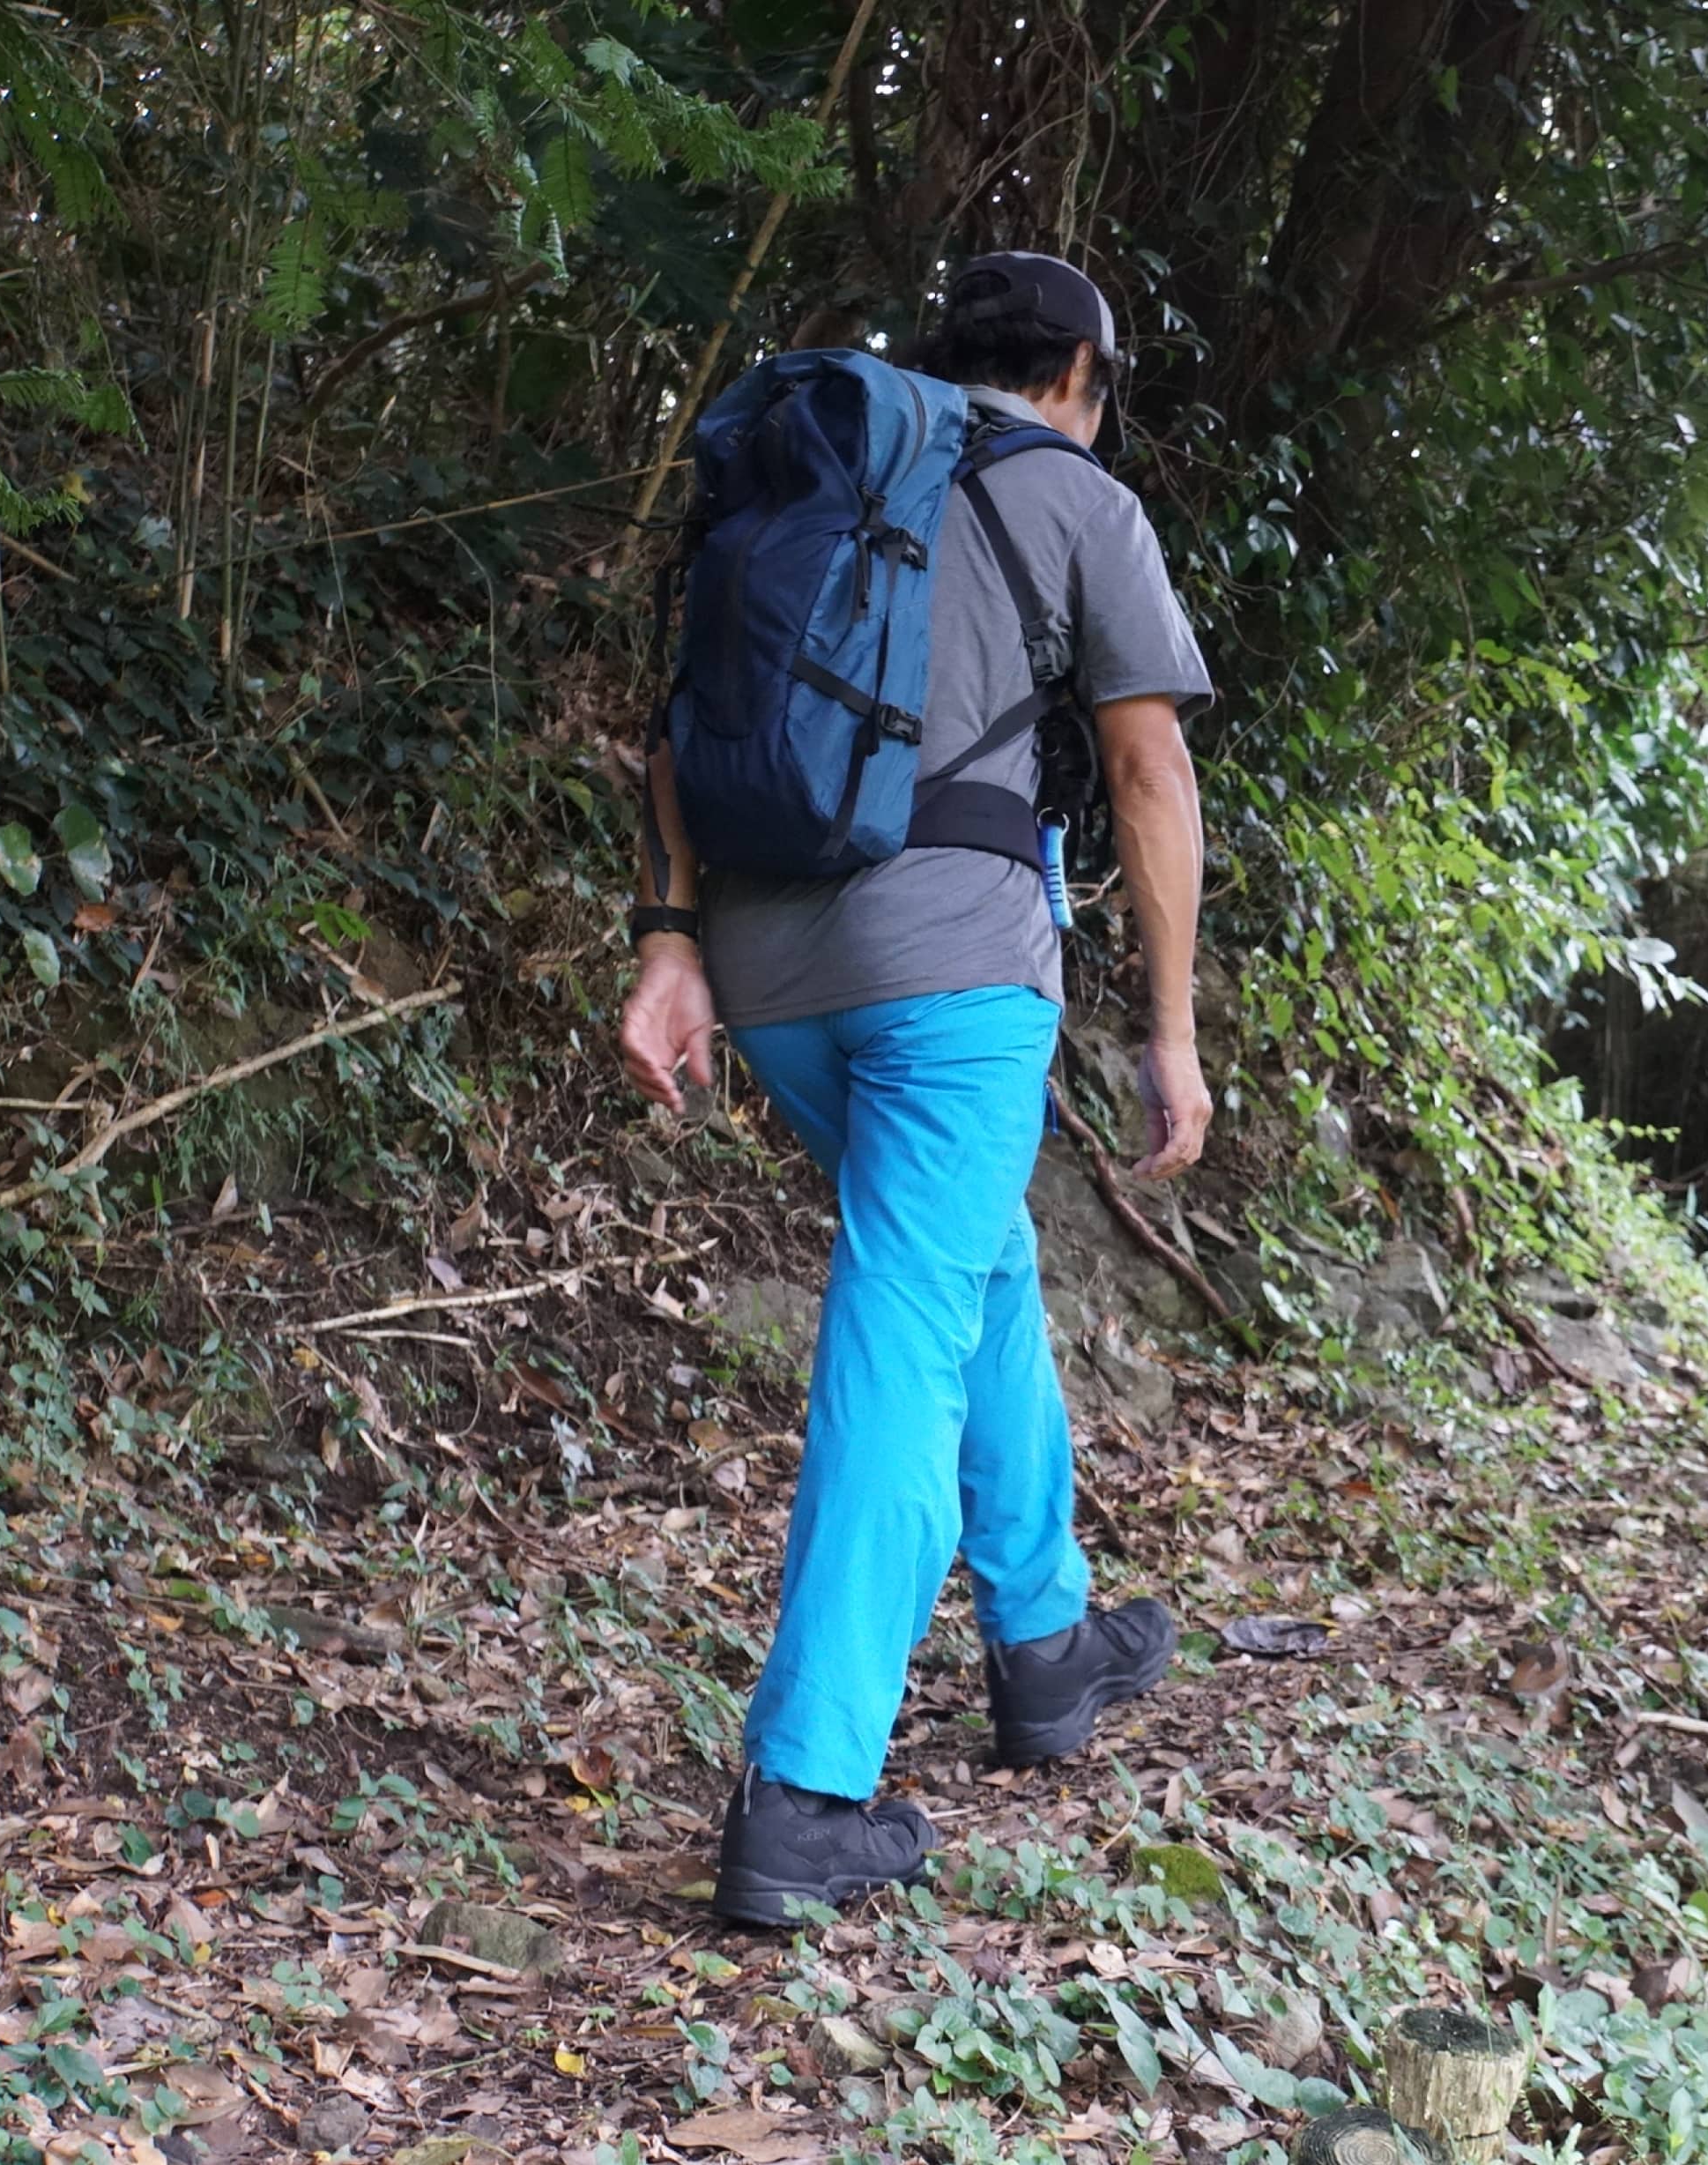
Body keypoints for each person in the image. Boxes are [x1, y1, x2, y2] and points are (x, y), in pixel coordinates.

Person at [617, 251, 1216, 1925]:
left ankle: (1043, 1640)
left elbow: (678, 726)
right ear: (1081, 373)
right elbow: (1146, 764)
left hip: (769, 968)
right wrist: (1169, 1029)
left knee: (969, 1267)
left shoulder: (826, 453)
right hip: (950, 971)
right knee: (900, 1328)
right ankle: (806, 1793)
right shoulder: (1070, 496)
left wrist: (671, 943)